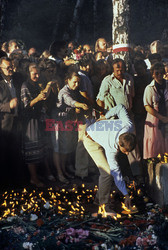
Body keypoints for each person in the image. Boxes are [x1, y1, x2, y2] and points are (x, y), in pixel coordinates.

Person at [96, 58, 142, 179]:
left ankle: (136, 174)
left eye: (121, 69)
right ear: (113, 69)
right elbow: (100, 99)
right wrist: (102, 115)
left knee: (132, 145)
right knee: (116, 147)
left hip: (128, 115)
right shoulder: (107, 81)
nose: (119, 72)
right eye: (117, 70)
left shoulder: (129, 79)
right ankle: (116, 176)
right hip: (114, 118)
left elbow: (132, 95)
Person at [83, 104, 136, 210]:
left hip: (101, 135)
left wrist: (106, 117)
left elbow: (120, 107)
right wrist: (126, 195)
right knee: (107, 173)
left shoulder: (128, 125)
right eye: (125, 151)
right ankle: (103, 205)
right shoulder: (111, 147)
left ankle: (98, 198)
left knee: (108, 173)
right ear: (119, 145)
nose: (127, 154)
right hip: (90, 139)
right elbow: (115, 173)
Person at [51, 69, 89, 184]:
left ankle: (64, 169)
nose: (76, 85)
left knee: (65, 147)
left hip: (67, 122)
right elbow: (70, 101)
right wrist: (79, 105)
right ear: (68, 80)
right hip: (57, 122)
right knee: (57, 148)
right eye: (74, 82)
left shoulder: (74, 90)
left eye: (78, 82)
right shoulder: (64, 92)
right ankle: (59, 173)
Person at [21, 63, 55, 187]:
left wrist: (48, 87)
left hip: (40, 120)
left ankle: (45, 173)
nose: (37, 76)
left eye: (38, 73)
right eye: (34, 73)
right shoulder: (25, 86)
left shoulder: (37, 84)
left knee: (42, 148)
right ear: (28, 73)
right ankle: (33, 178)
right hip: (30, 121)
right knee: (31, 150)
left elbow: (44, 98)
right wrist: (38, 99)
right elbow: (25, 107)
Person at [143, 62, 168, 159]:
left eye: (161, 73)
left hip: (166, 114)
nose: (159, 75)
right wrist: (161, 117)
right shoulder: (149, 88)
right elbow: (147, 106)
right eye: (157, 73)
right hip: (155, 119)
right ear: (152, 74)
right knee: (155, 144)